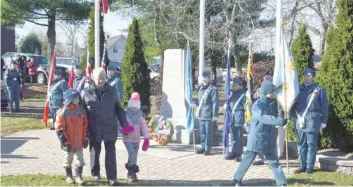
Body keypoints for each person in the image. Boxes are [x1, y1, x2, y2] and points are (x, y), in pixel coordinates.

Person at [80, 67, 134, 186]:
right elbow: (81, 114)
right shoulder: (85, 93)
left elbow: (119, 109)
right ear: (93, 78)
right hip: (94, 128)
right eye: (99, 78)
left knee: (110, 152)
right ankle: (95, 172)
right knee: (95, 151)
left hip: (109, 127)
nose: (101, 81)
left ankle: (112, 178)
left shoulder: (112, 91)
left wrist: (125, 125)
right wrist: (82, 131)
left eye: (103, 78)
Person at [233, 81, 288, 187]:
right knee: (247, 160)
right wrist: (278, 121)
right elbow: (262, 117)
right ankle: (236, 179)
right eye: (273, 92)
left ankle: (282, 183)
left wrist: (283, 117)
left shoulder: (274, 103)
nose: (274, 94)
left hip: (270, 137)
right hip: (258, 137)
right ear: (267, 92)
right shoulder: (258, 104)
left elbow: (278, 116)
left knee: (274, 162)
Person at [291, 67, 328, 174]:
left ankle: (310, 168)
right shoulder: (298, 89)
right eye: (305, 75)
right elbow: (293, 104)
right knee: (301, 144)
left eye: (309, 76)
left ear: (313, 77)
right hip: (300, 120)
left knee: (311, 144)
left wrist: (323, 121)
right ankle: (302, 166)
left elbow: (324, 106)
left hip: (313, 120)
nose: (306, 78)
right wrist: (288, 117)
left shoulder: (319, 89)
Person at [55, 88, 88, 185]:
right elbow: (59, 129)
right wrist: (65, 142)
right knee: (68, 159)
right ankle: (69, 176)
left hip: (79, 142)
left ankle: (79, 176)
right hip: (68, 143)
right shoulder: (62, 113)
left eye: (78, 98)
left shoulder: (81, 110)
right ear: (69, 100)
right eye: (76, 98)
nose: (78, 100)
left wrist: (86, 138)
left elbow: (86, 125)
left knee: (80, 159)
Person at [123, 92, 149, 182]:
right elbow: (119, 125)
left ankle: (133, 172)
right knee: (132, 154)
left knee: (135, 156)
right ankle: (130, 172)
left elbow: (144, 127)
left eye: (135, 108)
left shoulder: (139, 116)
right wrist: (124, 129)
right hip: (128, 139)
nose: (133, 109)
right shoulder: (126, 115)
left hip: (136, 140)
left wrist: (146, 138)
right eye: (131, 107)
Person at [191, 70, 219, 155]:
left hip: (209, 114)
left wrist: (214, 114)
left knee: (208, 133)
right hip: (201, 113)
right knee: (202, 132)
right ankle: (203, 147)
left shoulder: (212, 89)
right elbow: (199, 100)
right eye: (203, 77)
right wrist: (194, 104)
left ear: (209, 78)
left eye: (206, 77)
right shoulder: (200, 88)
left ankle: (208, 148)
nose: (204, 79)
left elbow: (215, 102)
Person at [251, 72, 273, 165]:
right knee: (260, 138)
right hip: (261, 118)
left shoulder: (275, 90)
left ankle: (272, 159)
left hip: (272, 118)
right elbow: (255, 101)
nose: (266, 81)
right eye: (265, 79)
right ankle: (259, 158)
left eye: (269, 79)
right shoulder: (259, 90)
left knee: (271, 139)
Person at [224, 77, 246, 161]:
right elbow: (229, 104)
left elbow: (245, 107)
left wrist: (245, 119)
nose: (235, 86)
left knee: (238, 137)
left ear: (240, 86)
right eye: (234, 85)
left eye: (237, 85)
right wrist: (226, 106)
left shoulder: (243, 95)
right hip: (232, 118)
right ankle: (233, 152)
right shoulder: (231, 94)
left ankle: (239, 154)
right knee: (233, 137)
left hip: (239, 117)